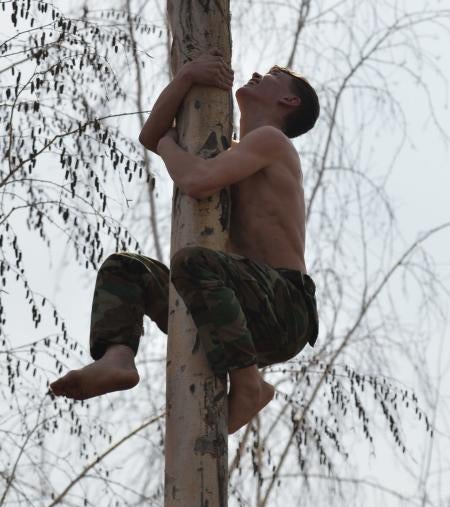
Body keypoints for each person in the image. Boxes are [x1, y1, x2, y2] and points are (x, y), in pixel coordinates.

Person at [49, 51, 320, 434]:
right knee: (126, 268)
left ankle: (248, 384)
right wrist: (186, 77)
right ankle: (118, 358)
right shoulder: (240, 147)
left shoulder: (271, 142)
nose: (259, 73)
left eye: (274, 75)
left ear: (289, 101)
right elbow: (150, 135)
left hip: (285, 307)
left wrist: (168, 146)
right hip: (239, 303)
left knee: (194, 261)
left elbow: (196, 180)